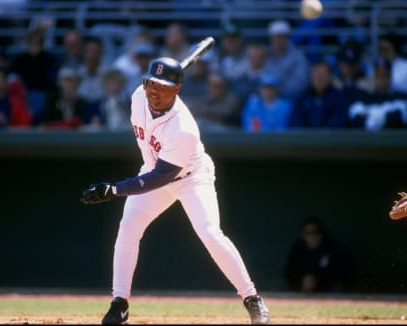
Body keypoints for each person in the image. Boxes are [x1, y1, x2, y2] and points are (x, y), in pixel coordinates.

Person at [80, 57, 270, 325]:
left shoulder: (184, 128)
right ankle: (119, 304)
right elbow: (153, 171)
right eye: (151, 83)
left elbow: (160, 177)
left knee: (210, 233)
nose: (153, 91)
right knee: (129, 226)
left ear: (177, 89)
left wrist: (113, 190)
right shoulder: (138, 96)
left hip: (190, 177)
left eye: (162, 86)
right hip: (152, 168)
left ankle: (253, 299)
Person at [284, 217, 355, 293]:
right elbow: (289, 273)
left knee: (338, 289)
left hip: (326, 290)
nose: (312, 236)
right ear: (303, 235)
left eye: (316, 232)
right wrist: (301, 282)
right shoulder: (298, 250)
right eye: (308, 233)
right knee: (284, 289)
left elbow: (341, 274)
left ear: (321, 234)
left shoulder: (332, 249)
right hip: (301, 289)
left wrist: (318, 281)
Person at [9, 27, 59, 125]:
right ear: (28, 42)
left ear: (43, 43)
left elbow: (52, 83)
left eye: (39, 42)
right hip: (24, 95)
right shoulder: (19, 61)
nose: (35, 46)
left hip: (43, 95)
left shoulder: (49, 60)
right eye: (32, 42)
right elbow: (14, 81)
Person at [348, 58, 407, 131]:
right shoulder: (364, 98)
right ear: (374, 77)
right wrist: (379, 118)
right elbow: (354, 115)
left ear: (390, 77)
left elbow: (401, 116)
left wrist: (373, 117)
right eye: (378, 75)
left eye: (385, 75)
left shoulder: (399, 97)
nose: (381, 79)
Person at [288, 61, 349, 128]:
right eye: (316, 74)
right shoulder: (302, 98)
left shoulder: (339, 98)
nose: (319, 78)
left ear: (330, 77)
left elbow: (338, 122)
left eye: (323, 75)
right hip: (306, 137)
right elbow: (295, 122)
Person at [264, 20, 309, 102]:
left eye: (282, 37)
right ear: (270, 38)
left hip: (291, 100)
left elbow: (300, 83)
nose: (279, 40)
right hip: (267, 99)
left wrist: (277, 91)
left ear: (287, 38)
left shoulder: (298, 56)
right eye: (276, 37)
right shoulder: (265, 54)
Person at [77, 36, 111, 104]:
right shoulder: (77, 71)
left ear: (101, 53)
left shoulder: (109, 73)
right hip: (81, 106)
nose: (92, 55)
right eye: (89, 51)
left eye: (95, 52)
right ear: (84, 52)